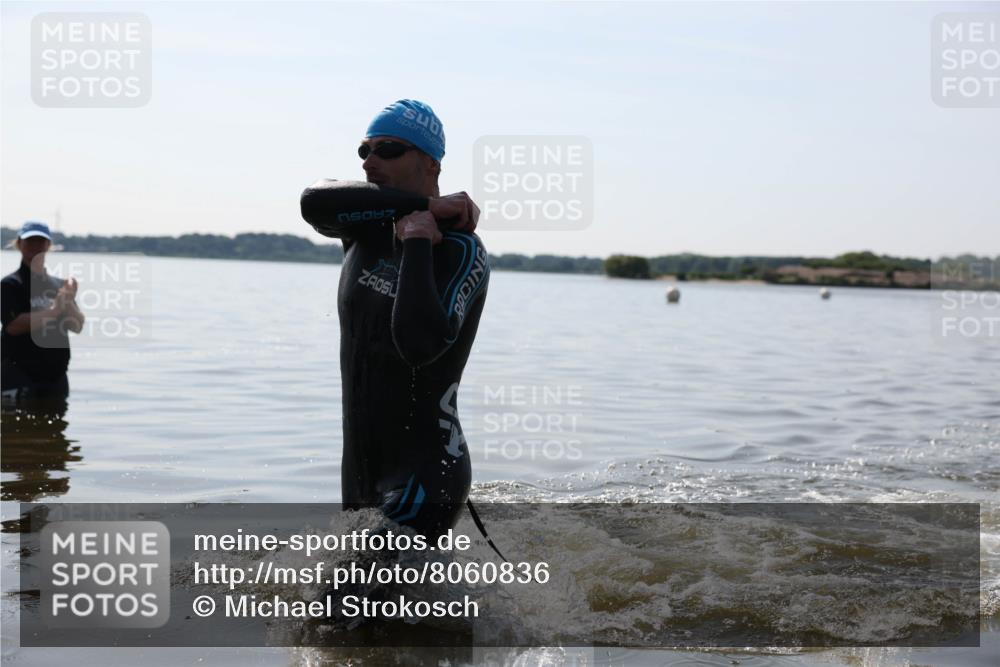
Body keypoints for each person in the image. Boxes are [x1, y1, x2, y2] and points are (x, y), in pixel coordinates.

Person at [301, 99, 489, 540]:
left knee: (342, 600)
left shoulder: (459, 249)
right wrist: (423, 205)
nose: (370, 161)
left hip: (425, 474)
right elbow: (313, 200)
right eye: (363, 150)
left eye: (388, 149)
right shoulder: (363, 228)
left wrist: (419, 243)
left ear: (430, 162)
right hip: (361, 472)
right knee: (365, 606)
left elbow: (419, 345)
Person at [1, 221, 85, 404]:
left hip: (56, 378)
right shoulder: (10, 285)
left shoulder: (59, 285)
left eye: (40, 241)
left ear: (48, 245)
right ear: (19, 244)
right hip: (18, 375)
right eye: (30, 241)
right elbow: (13, 326)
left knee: (57, 430)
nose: (35, 246)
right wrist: (55, 311)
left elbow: (77, 326)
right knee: (18, 431)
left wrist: (68, 301)